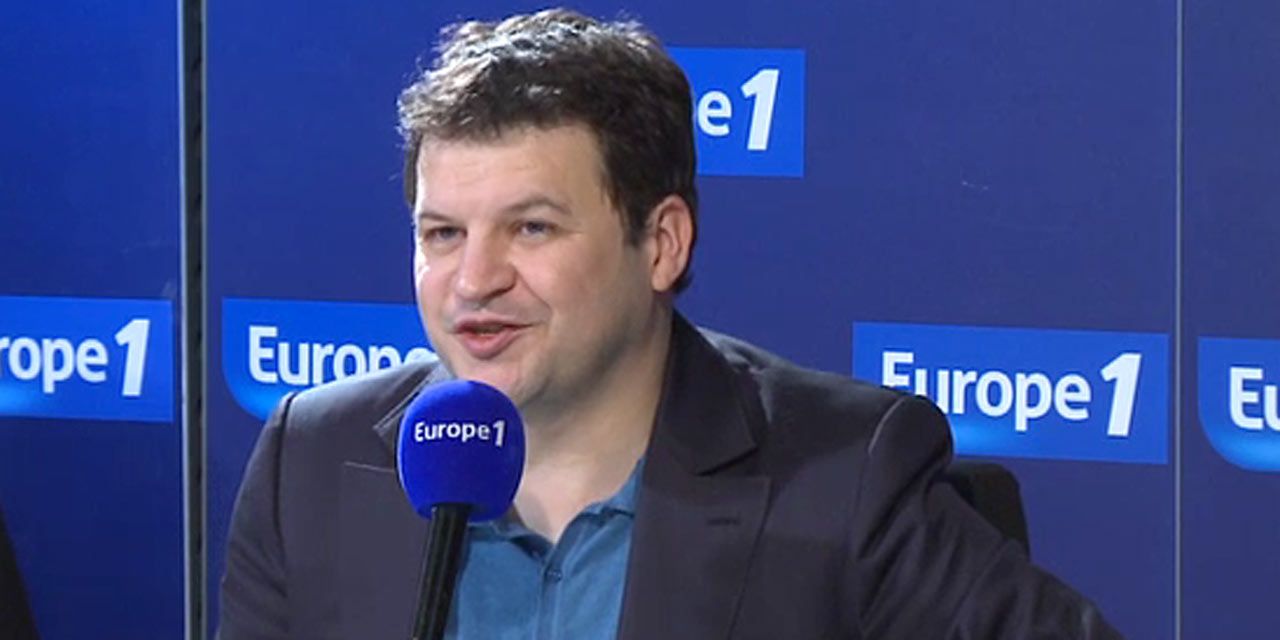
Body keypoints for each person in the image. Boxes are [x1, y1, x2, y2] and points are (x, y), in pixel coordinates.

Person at [219, 8, 1120, 639]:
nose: (475, 280)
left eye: (532, 228)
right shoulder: (315, 461)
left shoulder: (843, 476)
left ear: (661, 244)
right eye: (442, 234)